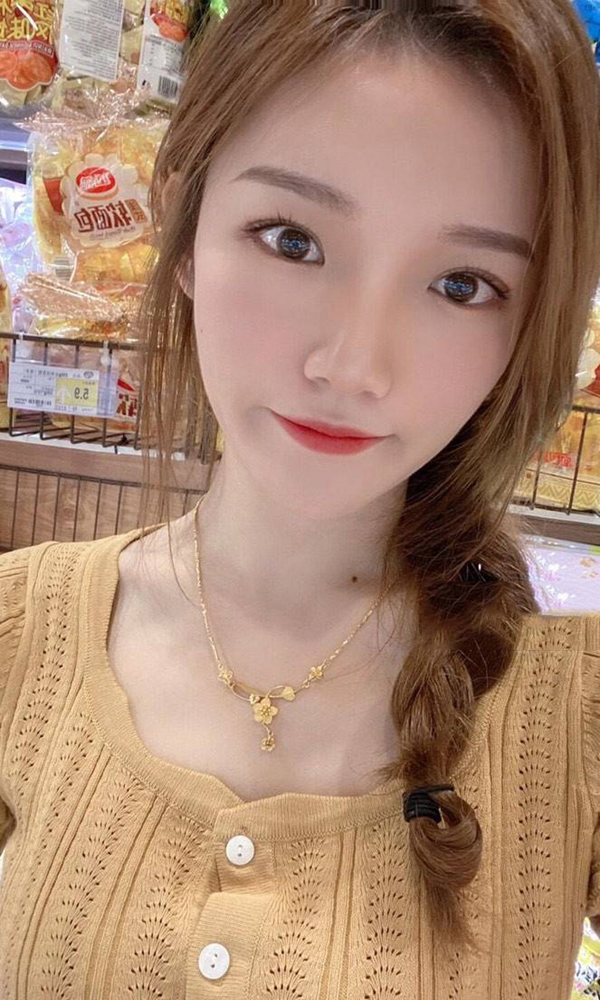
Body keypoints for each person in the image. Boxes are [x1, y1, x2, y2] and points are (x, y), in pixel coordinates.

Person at [1, 1, 600, 996]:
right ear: (184, 228)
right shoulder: (23, 628)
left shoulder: (574, 710)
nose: (354, 365)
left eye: (462, 285)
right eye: (291, 239)